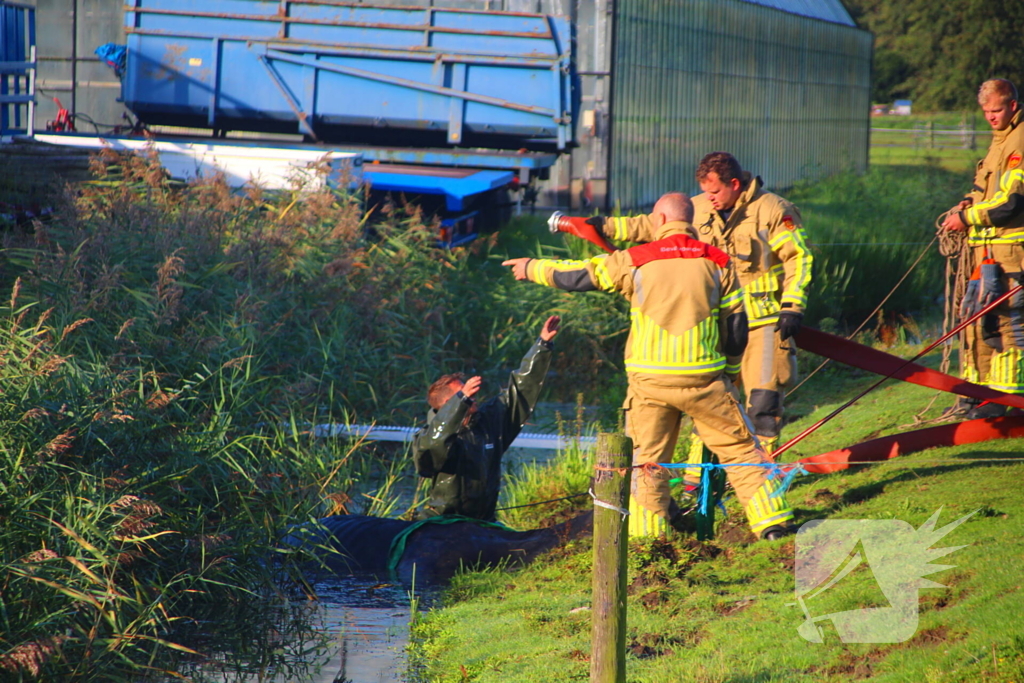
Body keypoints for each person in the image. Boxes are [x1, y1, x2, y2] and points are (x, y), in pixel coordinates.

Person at [506, 193, 794, 540]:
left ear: (657, 221)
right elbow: (735, 330)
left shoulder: (634, 259)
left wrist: (531, 268)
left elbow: (579, 276)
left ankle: (649, 541)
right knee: (740, 450)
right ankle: (773, 526)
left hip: (650, 384)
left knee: (647, 462)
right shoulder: (718, 261)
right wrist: (731, 373)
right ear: (690, 221)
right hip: (706, 380)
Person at [550, 153, 813, 456]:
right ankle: (697, 484)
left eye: (714, 191)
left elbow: (800, 258)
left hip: (763, 323)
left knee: (764, 405)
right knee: (709, 407)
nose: (708, 198)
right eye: (704, 191)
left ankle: (762, 471)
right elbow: (651, 225)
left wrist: (792, 306)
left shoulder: (774, 210)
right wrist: (605, 226)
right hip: (716, 325)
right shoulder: (699, 207)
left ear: (735, 184)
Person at [413, 315, 560, 521]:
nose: (472, 398)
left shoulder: (488, 421)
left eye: (469, 394)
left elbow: (521, 391)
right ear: (449, 405)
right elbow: (431, 452)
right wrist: (461, 400)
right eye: (464, 394)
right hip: (442, 522)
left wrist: (542, 345)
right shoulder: (428, 437)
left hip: (483, 521)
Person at [940, 78, 1024, 418]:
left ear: (1013, 106)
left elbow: (1011, 203)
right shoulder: (998, 141)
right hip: (985, 253)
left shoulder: (1019, 141)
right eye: (986, 112)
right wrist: (965, 204)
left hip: (1011, 254)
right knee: (975, 319)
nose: (991, 117)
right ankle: (976, 395)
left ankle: (1010, 401)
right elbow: (983, 189)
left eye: (997, 110)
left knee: (1009, 323)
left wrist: (968, 217)